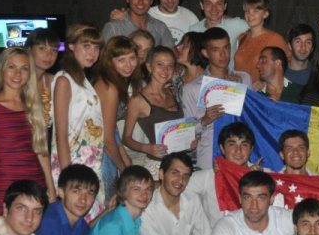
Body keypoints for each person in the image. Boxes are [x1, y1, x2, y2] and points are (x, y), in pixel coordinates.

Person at [0, 47, 55, 219]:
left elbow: (41, 152)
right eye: (11, 67)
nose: (18, 74)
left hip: (36, 189)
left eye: (24, 68)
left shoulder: (33, 106)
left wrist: (52, 191)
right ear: (1, 69)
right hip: (5, 189)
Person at [51, 24, 106, 222]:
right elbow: (61, 134)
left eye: (96, 47)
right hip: (73, 166)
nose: (92, 53)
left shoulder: (83, 80)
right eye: (86, 46)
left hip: (91, 165)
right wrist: (69, 178)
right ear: (72, 46)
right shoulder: (64, 80)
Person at [181, 27, 253, 169]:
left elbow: (253, 116)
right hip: (209, 156)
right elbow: (186, 133)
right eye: (215, 50)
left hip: (241, 154)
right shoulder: (192, 88)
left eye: (226, 48)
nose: (223, 54)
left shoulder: (244, 78)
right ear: (205, 53)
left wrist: (240, 91)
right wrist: (205, 120)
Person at [123, 46, 185, 176]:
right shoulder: (138, 100)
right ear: (149, 67)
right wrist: (146, 148)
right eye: (160, 64)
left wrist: (189, 141)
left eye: (170, 65)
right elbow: (126, 138)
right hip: (157, 166)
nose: (165, 70)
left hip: (180, 165)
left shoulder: (172, 92)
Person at [185, 122, 259, 228]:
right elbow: (174, 189)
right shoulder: (208, 176)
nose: (238, 150)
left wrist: (260, 180)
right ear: (222, 148)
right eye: (232, 144)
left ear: (251, 149)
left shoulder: (263, 175)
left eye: (244, 145)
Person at [94, 36, 141, 202]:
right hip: (101, 155)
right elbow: (107, 138)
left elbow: (112, 128)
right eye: (121, 60)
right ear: (109, 61)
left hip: (107, 148)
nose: (128, 65)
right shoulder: (109, 88)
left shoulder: (115, 81)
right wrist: (123, 168)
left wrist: (125, 158)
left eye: (132, 58)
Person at [187, 0, 249, 70]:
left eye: (219, 4)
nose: (214, 9)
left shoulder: (236, 24)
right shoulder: (194, 30)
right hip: (203, 77)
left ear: (225, 6)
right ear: (201, 5)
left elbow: (259, 31)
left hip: (229, 76)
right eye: (208, 4)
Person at [102, 0, 176, 48]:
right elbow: (104, 55)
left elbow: (171, 54)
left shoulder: (160, 27)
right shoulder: (114, 28)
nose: (140, 2)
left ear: (151, 0)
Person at [234, 0, 289, 83]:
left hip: (260, 91)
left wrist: (264, 83)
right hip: (239, 90)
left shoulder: (275, 39)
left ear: (265, 14)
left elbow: (285, 68)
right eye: (247, 11)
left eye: (255, 11)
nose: (250, 15)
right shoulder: (242, 37)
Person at [24, 27, 60, 128]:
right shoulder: (18, 80)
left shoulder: (55, 81)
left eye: (54, 50)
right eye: (42, 48)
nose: (49, 55)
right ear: (29, 49)